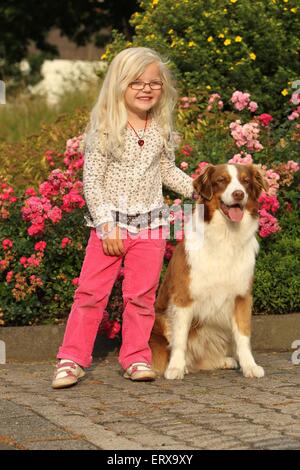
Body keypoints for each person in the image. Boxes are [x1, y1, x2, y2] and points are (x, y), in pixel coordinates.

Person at [52, 47, 194, 389]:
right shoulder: (105, 128)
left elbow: (166, 169)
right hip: (110, 227)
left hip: (153, 226)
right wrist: (106, 224)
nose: (146, 89)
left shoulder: (160, 127)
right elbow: (92, 182)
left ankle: (135, 357)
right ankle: (71, 360)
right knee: (90, 294)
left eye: (154, 83)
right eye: (136, 83)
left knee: (141, 296)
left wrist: (202, 190)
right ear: (119, 85)